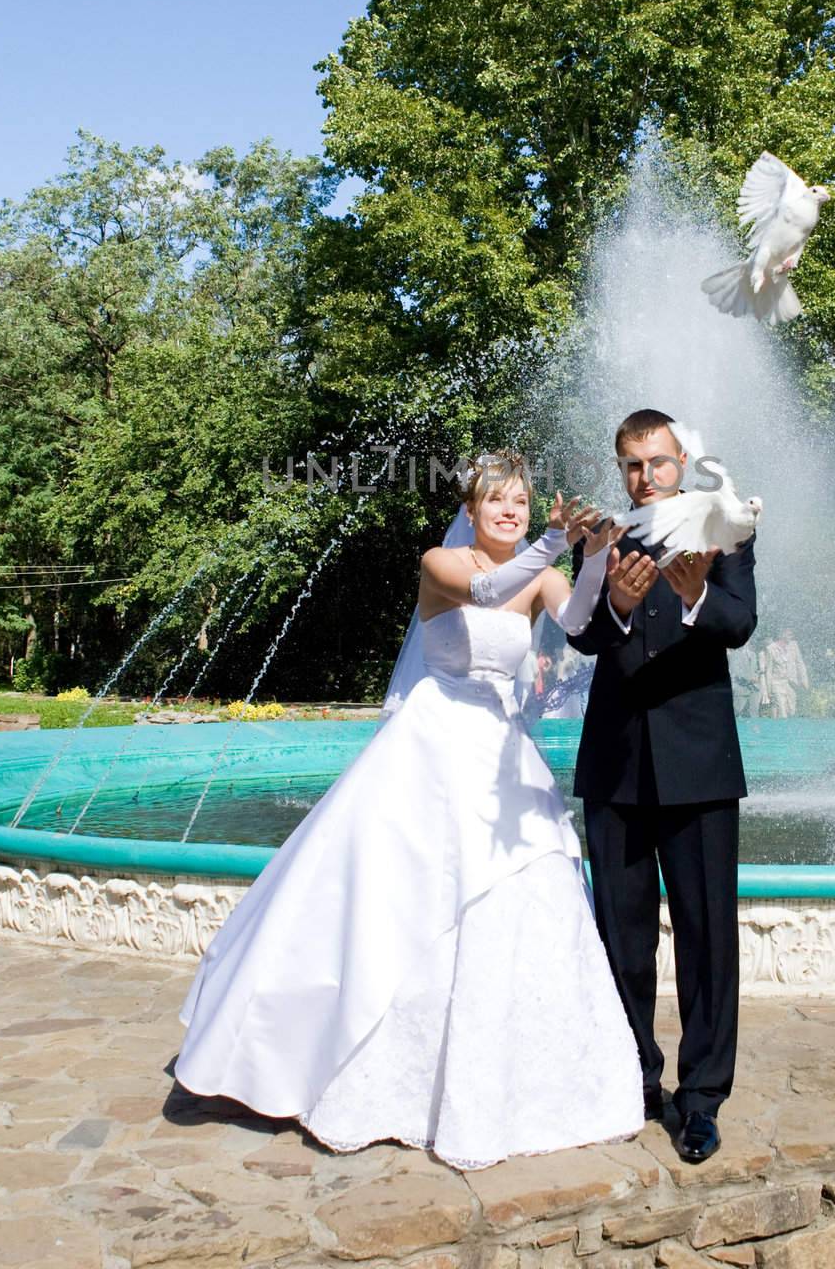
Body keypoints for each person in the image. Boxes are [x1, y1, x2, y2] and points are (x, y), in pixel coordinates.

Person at [173, 453, 645, 1171]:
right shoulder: (441, 561)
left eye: (520, 501)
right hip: (434, 734)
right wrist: (553, 540)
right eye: (497, 501)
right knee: (402, 893)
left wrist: (594, 557)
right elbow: (486, 590)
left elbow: (581, 625)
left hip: (500, 748)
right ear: (473, 507)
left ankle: (517, 1080)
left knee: (519, 890)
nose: (510, 511)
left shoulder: (541, 571)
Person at [566, 409, 757, 1165]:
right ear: (621, 470)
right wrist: (613, 600)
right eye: (632, 465)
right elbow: (580, 633)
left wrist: (693, 597)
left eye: (658, 462)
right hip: (613, 765)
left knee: (708, 939)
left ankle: (702, 1098)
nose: (646, 476)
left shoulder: (724, 523)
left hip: (699, 764)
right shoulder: (601, 536)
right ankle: (634, 1080)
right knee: (622, 938)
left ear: (682, 460)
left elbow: (739, 621)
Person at [760, 627, 808, 717]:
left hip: (791, 683)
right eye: (789, 634)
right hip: (777, 683)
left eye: (792, 634)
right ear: (781, 634)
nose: (791, 636)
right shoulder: (770, 649)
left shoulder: (794, 645)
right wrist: (769, 689)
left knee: (791, 710)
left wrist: (804, 680)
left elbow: (800, 663)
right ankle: (782, 728)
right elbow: (769, 670)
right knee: (782, 711)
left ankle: (787, 728)